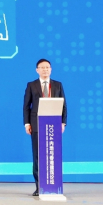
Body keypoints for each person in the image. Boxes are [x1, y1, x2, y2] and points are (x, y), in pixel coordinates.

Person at [23, 58, 67, 197]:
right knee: (38, 156)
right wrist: (27, 123)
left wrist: (63, 122)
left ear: (51, 69)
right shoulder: (31, 85)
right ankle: (39, 186)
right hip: (36, 125)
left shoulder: (58, 85)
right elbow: (26, 106)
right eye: (42, 67)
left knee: (53, 155)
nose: (45, 70)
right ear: (37, 70)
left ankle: (54, 186)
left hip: (54, 125)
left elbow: (63, 105)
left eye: (47, 67)